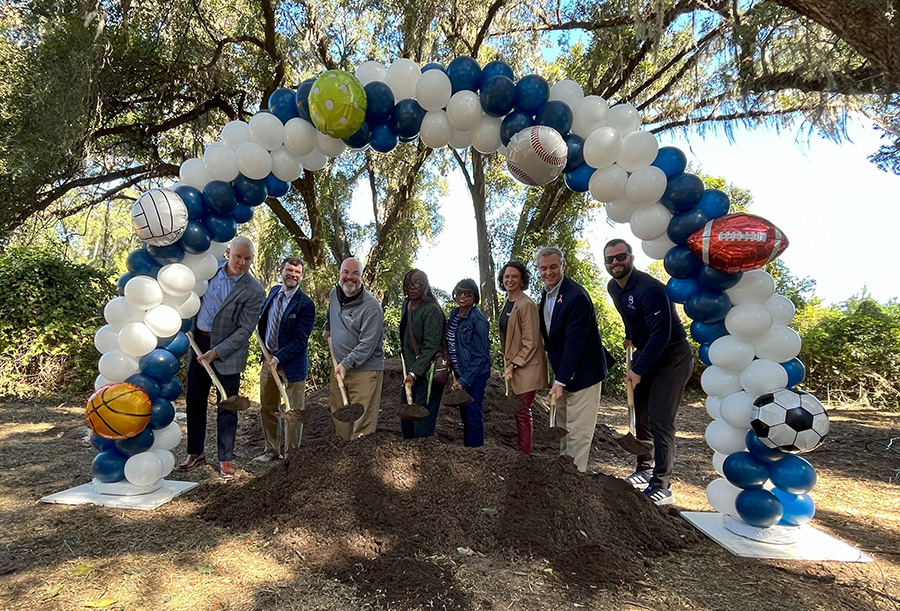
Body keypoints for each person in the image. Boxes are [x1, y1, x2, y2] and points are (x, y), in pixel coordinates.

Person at [605, 239, 694, 506]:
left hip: (672, 356)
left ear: (630, 258)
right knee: (641, 414)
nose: (615, 263)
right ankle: (644, 470)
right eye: (610, 260)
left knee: (660, 420)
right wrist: (629, 336)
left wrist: (638, 369)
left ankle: (662, 484)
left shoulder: (650, 289)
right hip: (646, 353)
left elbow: (661, 334)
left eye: (620, 257)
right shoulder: (614, 287)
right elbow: (628, 316)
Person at [178, 236, 265, 480]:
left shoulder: (255, 291)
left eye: (248, 259)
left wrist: (218, 351)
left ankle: (225, 459)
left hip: (227, 353)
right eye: (238, 257)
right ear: (228, 253)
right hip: (198, 344)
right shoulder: (208, 269)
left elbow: (244, 330)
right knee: (195, 400)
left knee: (227, 405)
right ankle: (195, 453)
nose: (242, 262)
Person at [536, 245, 610, 472]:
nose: (548, 272)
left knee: (578, 434)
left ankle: (577, 482)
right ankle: (564, 477)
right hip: (563, 374)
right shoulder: (546, 295)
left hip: (584, 375)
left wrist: (561, 380)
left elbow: (574, 344)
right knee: (562, 430)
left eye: (553, 267)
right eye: (543, 268)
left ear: (563, 265)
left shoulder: (576, 296)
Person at [255, 256, 315, 462]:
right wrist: (269, 356)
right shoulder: (273, 293)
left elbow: (301, 340)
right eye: (290, 270)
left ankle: (292, 456)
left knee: (293, 412)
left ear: (301, 276)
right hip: (268, 358)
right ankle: (271, 450)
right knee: (268, 407)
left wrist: (279, 358)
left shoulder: (305, 304)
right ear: (281, 271)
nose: (293, 275)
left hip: (292, 364)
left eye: (298, 272)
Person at [324, 257, 385, 441]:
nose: (349, 277)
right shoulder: (334, 294)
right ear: (340, 274)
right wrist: (327, 329)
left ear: (362, 277)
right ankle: (344, 460)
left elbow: (367, 344)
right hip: (340, 367)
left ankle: (360, 464)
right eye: (345, 272)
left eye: (355, 273)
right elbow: (330, 313)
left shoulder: (371, 307)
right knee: (340, 413)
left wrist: (346, 364)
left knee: (362, 419)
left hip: (364, 371)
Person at [497, 261, 548, 455]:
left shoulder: (526, 304)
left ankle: (524, 456)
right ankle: (522, 453)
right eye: (506, 276)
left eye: (514, 276)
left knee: (522, 412)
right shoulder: (508, 302)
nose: (510, 280)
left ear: (522, 280)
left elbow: (531, 342)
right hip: (514, 365)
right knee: (519, 412)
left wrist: (514, 365)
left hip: (527, 367)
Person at [399, 269, 447, 440]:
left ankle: (424, 462)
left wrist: (414, 373)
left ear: (425, 285)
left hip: (428, 375)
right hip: (410, 372)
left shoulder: (432, 310)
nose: (412, 287)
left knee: (422, 425)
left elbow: (431, 347)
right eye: (408, 283)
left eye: (417, 283)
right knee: (407, 421)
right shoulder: (407, 305)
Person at [446, 278, 492, 447]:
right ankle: (467, 451)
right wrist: (455, 375)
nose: (462, 296)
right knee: (464, 415)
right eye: (459, 292)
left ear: (475, 296)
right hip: (460, 371)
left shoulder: (477, 320)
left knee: (473, 415)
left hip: (475, 374)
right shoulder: (454, 314)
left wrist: (464, 380)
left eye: (468, 293)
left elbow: (480, 357)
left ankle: (476, 454)